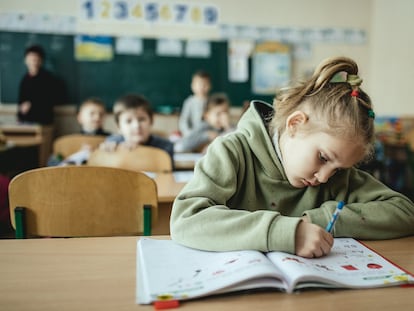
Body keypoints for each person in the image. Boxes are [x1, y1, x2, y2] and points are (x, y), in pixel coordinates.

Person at [170, 56, 414, 259]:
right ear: (295, 124)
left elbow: (404, 212)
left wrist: (322, 219)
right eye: (323, 157)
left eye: (339, 169)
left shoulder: (337, 176)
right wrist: (286, 232)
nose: (325, 177)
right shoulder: (231, 152)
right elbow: (186, 219)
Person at [102, 94, 174, 162]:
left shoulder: (165, 147)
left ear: (151, 121)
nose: (136, 125)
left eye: (141, 119)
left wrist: (138, 151)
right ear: (119, 126)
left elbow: (166, 172)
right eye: (129, 121)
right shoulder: (112, 143)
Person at [47, 97, 111, 166]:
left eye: (101, 114)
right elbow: (53, 162)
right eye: (92, 113)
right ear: (80, 117)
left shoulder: (110, 138)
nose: (97, 117)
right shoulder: (69, 140)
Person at [17, 45, 65, 125]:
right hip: (25, 121)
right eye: (30, 59)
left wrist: (31, 104)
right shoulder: (24, 79)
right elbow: (21, 102)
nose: (33, 61)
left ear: (41, 61)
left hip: (43, 121)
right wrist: (19, 116)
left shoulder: (48, 78)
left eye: (35, 59)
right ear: (25, 60)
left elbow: (50, 99)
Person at [178, 70, 211, 137]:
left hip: (208, 134)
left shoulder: (212, 102)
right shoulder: (189, 102)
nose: (202, 87)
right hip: (192, 134)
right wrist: (188, 133)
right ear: (192, 86)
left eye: (205, 84)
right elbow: (183, 121)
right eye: (199, 84)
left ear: (210, 86)